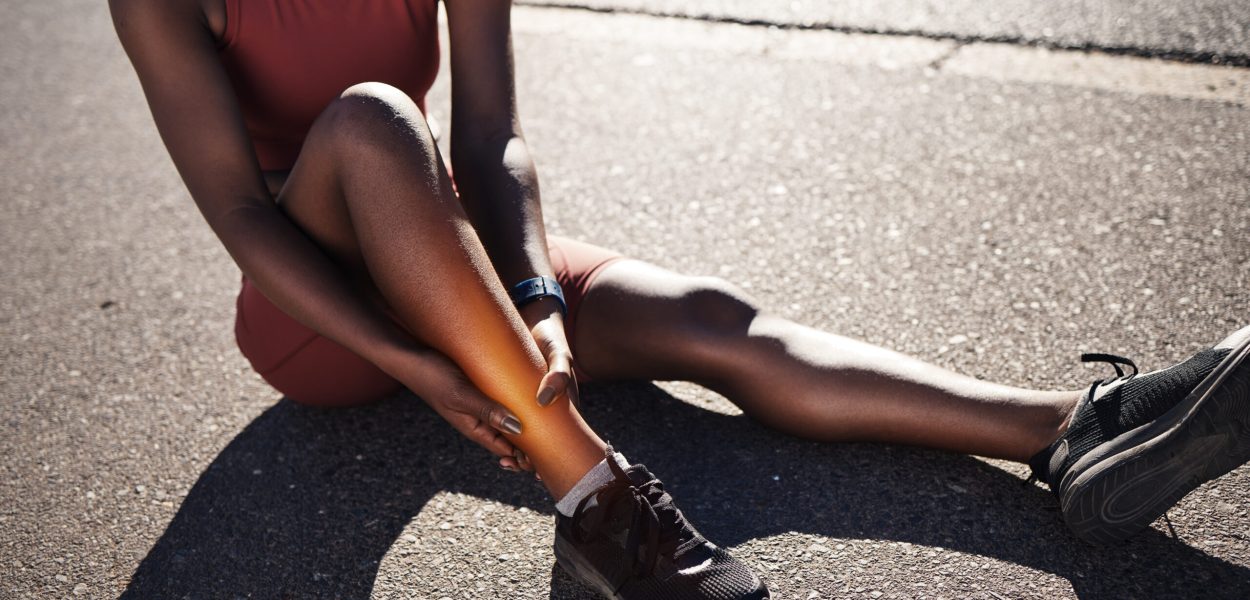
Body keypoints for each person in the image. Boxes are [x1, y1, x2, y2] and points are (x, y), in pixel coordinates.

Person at [109, 0, 1249, 597]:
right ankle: (599, 510)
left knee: (708, 319)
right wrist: (415, 363)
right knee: (366, 114)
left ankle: (1064, 431)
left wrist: (531, 291)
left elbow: (489, 131)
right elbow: (241, 217)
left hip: (447, 259)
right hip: (318, 319)